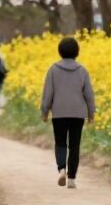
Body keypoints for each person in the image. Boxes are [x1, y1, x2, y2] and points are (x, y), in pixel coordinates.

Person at [40, 36, 95, 189]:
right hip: (78, 113)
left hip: (59, 112)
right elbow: (89, 94)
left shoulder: (53, 70)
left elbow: (48, 93)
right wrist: (91, 113)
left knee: (60, 142)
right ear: (77, 52)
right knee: (75, 145)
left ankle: (61, 169)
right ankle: (71, 179)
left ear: (60, 51)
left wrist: (45, 111)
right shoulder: (82, 70)